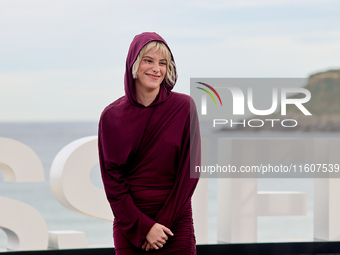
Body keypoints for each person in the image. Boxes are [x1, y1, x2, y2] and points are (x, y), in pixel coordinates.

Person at [98, 32, 201, 254]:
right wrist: (143, 227)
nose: (156, 69)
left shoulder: (184, 108)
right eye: (148, 60)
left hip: (174, 223)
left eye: (163, 63)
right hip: (130, 224)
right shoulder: (111, 116)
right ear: (134, 64)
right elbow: (112, 181)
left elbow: (189, 173)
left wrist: (158, 227)